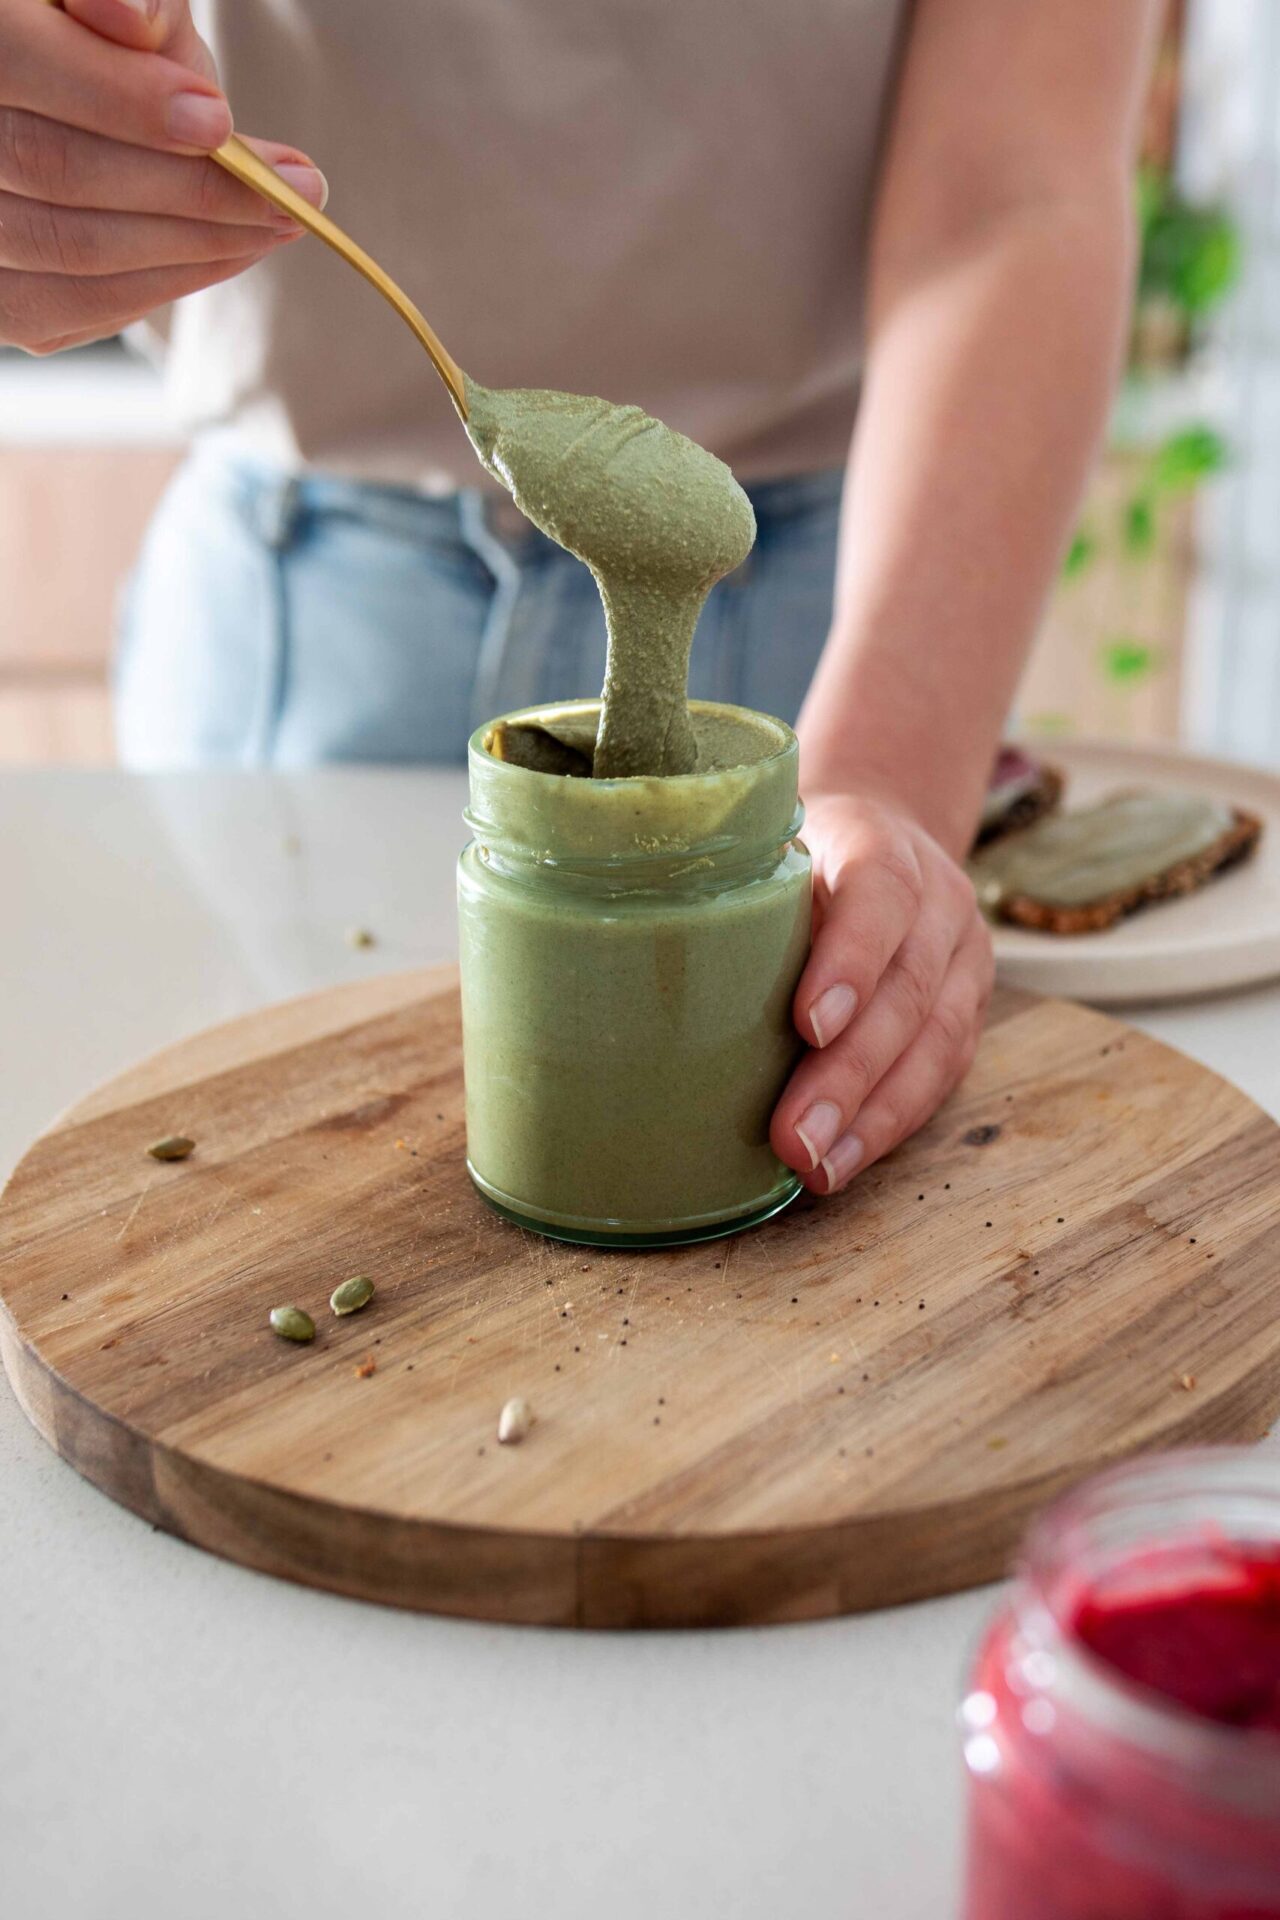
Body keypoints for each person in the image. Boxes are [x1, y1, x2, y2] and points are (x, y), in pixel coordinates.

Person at [0, 0, 1160, 1196]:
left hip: (839, 604)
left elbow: (1014, 194)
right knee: (253, 1173)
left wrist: (887, 774)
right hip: (301, 593)